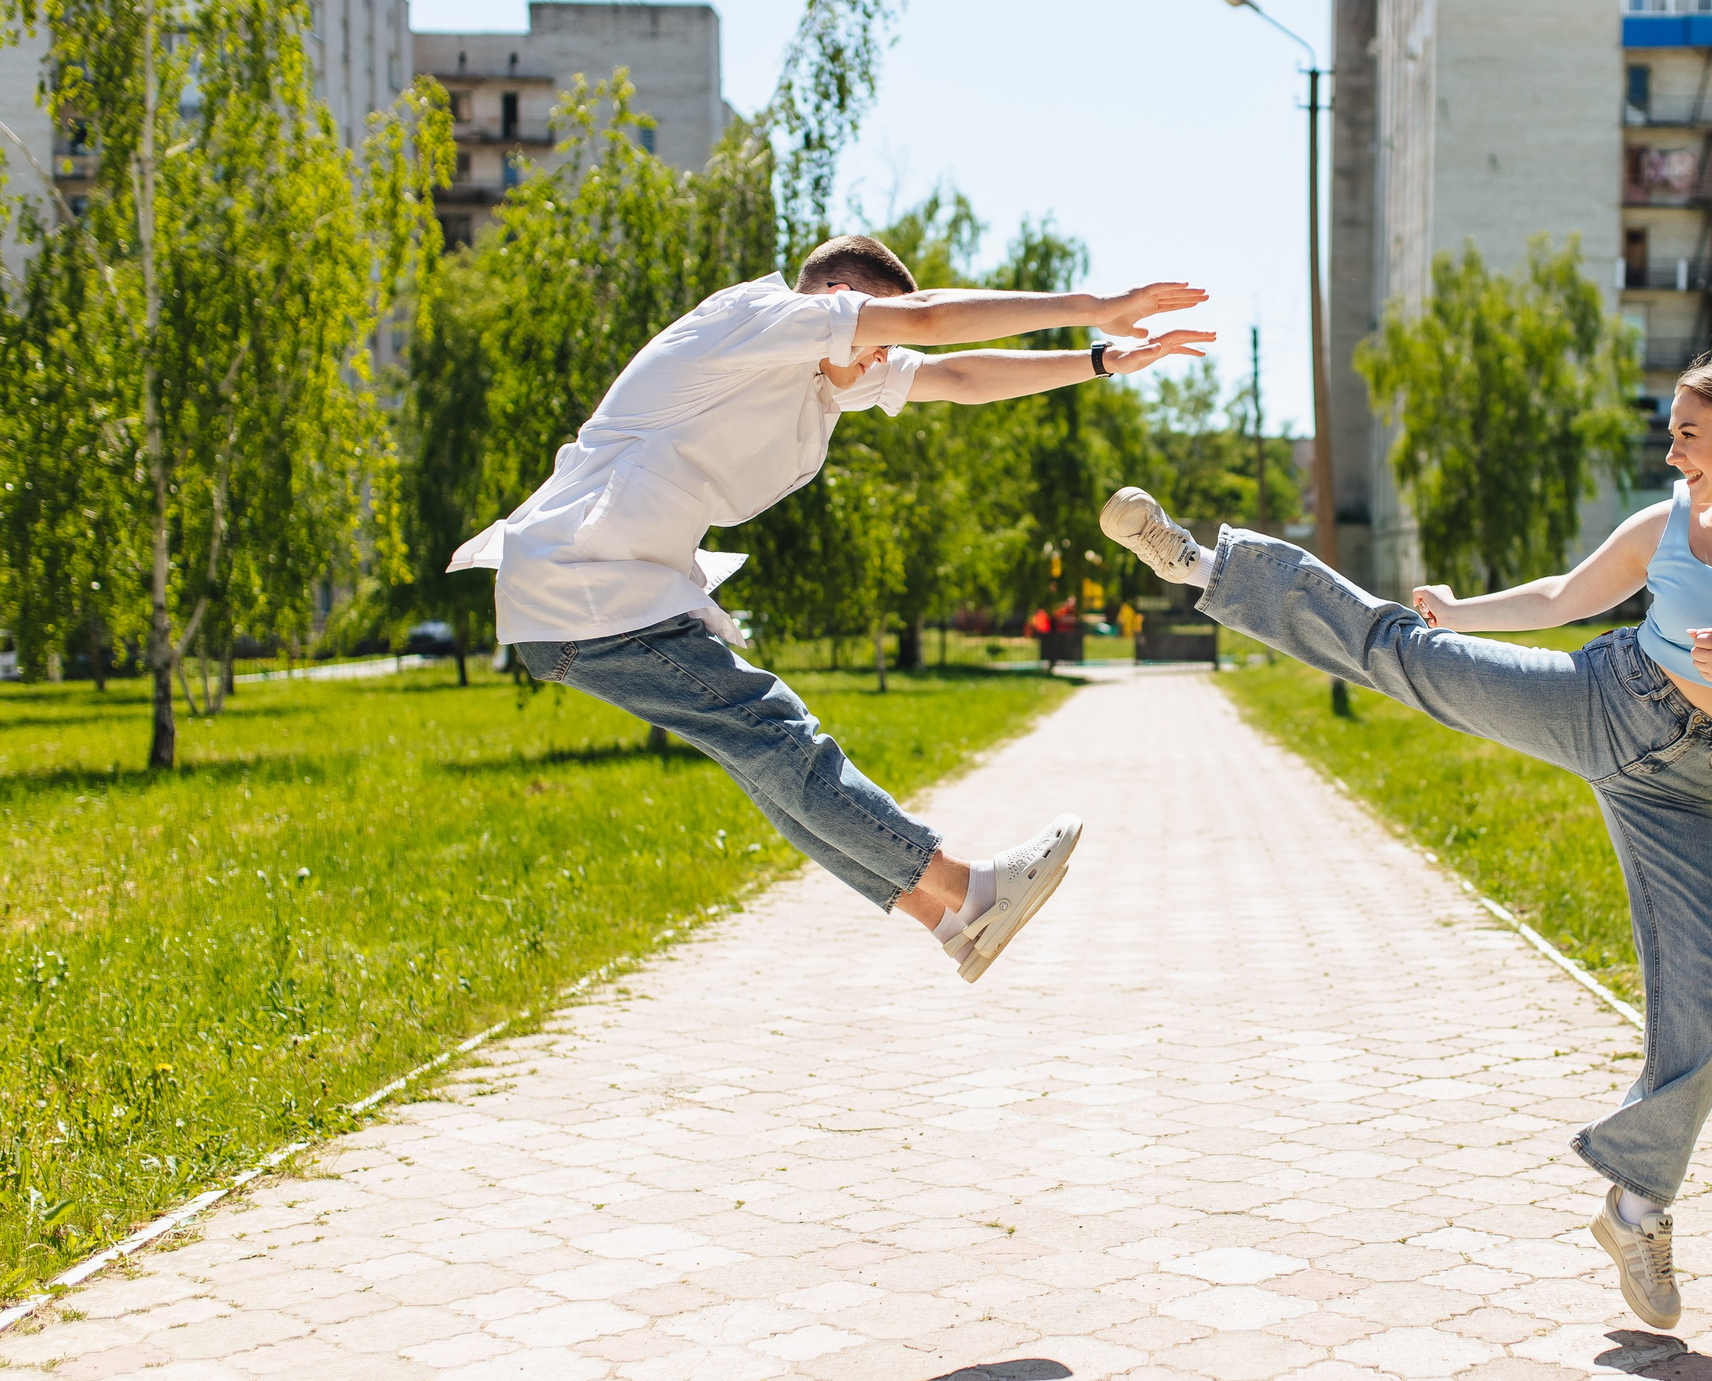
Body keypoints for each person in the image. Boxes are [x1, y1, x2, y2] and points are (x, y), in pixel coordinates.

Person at [1100, 357, 1712, 1329]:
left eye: (1687, 430)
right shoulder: (1667, 527)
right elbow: (1565, 597)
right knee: (1409, 656)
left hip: (1687, 784)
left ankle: (1636, 1206)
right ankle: (1206, 566)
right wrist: (1464, 614)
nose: (1672, 447)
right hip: (1605, 703)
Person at [452, 235, 1212, 982]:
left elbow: (959, 377)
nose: (880, 359)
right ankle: (969, 890)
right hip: (584, 585)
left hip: (603, 592)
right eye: (873, 335)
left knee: (764, 759)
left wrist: (1098, 360)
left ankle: (948, 921)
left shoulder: (828, 377)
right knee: (773, 732)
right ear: (837, 302)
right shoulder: (760, 320)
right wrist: (1100, 305)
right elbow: (927, 321)